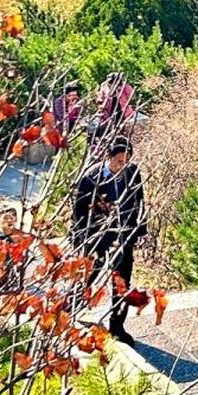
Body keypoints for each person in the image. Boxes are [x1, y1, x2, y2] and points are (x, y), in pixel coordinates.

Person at [68, 135, 145, 337]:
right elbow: (79, 213)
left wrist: (138, 230)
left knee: (122, 283)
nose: (123, 165)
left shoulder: (133, 173)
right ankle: (69, 311)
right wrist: (84, 240)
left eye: (126, 161)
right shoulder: (90, 178)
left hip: (124, 237)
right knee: (88, 277)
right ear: (108, 157)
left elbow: (139, 202)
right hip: (97, 238)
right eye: (119, 161)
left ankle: (117, 326)